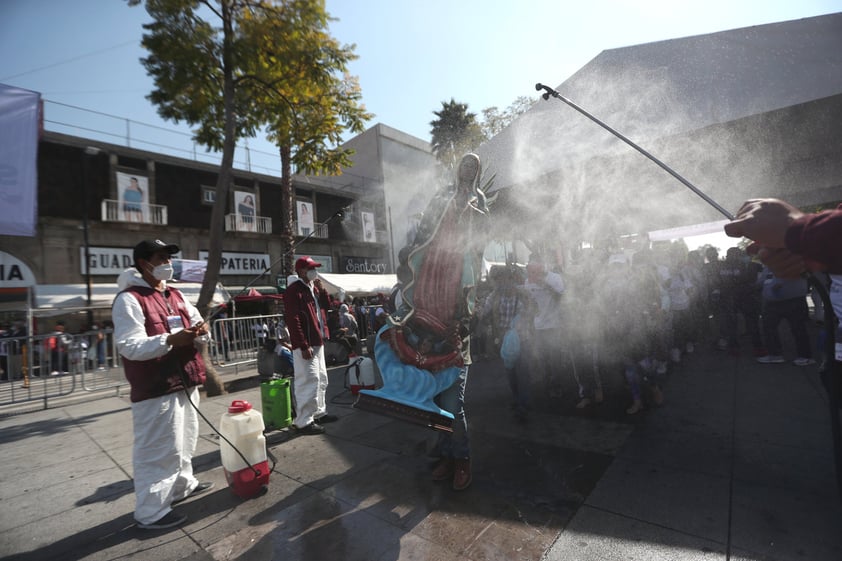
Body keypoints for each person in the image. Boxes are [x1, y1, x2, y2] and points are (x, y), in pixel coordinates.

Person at [112, 239, 213, 530]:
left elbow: (198, 328)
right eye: (161, 257)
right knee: (157, 450)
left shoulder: (176, 295)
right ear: (144, 263)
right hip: (156, 386)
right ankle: (151, 512)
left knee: (184, 440)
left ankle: (183, 486)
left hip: (185, 380)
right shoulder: (129, 299)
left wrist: (201, 331)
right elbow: (130, 346)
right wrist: (168, 340)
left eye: (169, 257)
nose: (167, 263)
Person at [283, 256, 338, 434]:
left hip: (317, 339)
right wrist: (302, 344)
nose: (315, 271)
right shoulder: (294, 291)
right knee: (308, 379)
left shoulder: (312, 288)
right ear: (301, 271)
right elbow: (293, 319)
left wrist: (322, 291)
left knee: (321, 377)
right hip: (307, 343)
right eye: (311, 268)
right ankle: (303, 421)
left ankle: (319, 412)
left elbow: (326, 307)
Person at [521, 252, 566, 400]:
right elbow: (531, 301)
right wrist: (532, 310)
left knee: (555, 359)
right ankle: (547, 386)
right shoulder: (528, 281)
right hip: (538, 326)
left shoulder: (555, 278)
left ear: (542, 264)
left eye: (535, 264)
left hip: (554, 325)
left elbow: (562, 298)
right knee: (542, 358)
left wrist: (545, 285)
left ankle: (557, 387)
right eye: (530, 265)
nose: (533, 269)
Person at [757, 267, 815, 366]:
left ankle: (805, 356)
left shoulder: (793, 262)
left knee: (798, 328)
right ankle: (775, 354)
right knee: (769, 328)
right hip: (772, 303)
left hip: (793, 300)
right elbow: (762, 281)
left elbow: (805, 276)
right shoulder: (768, 267)